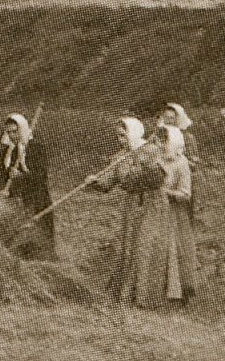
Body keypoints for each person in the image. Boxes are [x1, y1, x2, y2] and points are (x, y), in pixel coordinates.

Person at [84, 115, 169, 305]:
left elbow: (158, 178)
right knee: (130, 246)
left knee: (145, 246)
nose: (120, 140)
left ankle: (146, 297)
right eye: (118, 136)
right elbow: (108, 183)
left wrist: (142, 168)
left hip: (152, 203)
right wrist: (94, 182)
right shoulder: (119, 157)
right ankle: (128, 294)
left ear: (134, 133)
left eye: (124, 136)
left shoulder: (151, 151)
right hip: (132, 204)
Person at [0, 111, 55, 259]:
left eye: (15, 131)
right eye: (8, 132)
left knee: (39, 232)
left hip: (36, 196)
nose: (12, 136)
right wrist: (4, 189)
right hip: (15, 198)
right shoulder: (7, 151)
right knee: (15, 232)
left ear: (22, 129)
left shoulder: (35, 148)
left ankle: (44, 261)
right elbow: (0, 175)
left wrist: (22, 176)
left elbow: (41, 176)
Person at [157, 121, 198, 304]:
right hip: (156, 211)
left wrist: (165, 193)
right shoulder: (155, 160)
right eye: (158, 141)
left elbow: (185, 193)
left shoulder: (181, 163)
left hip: (174, 214)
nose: (160, 145)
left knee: (173, 251)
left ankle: (175, 291)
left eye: (163, 141)